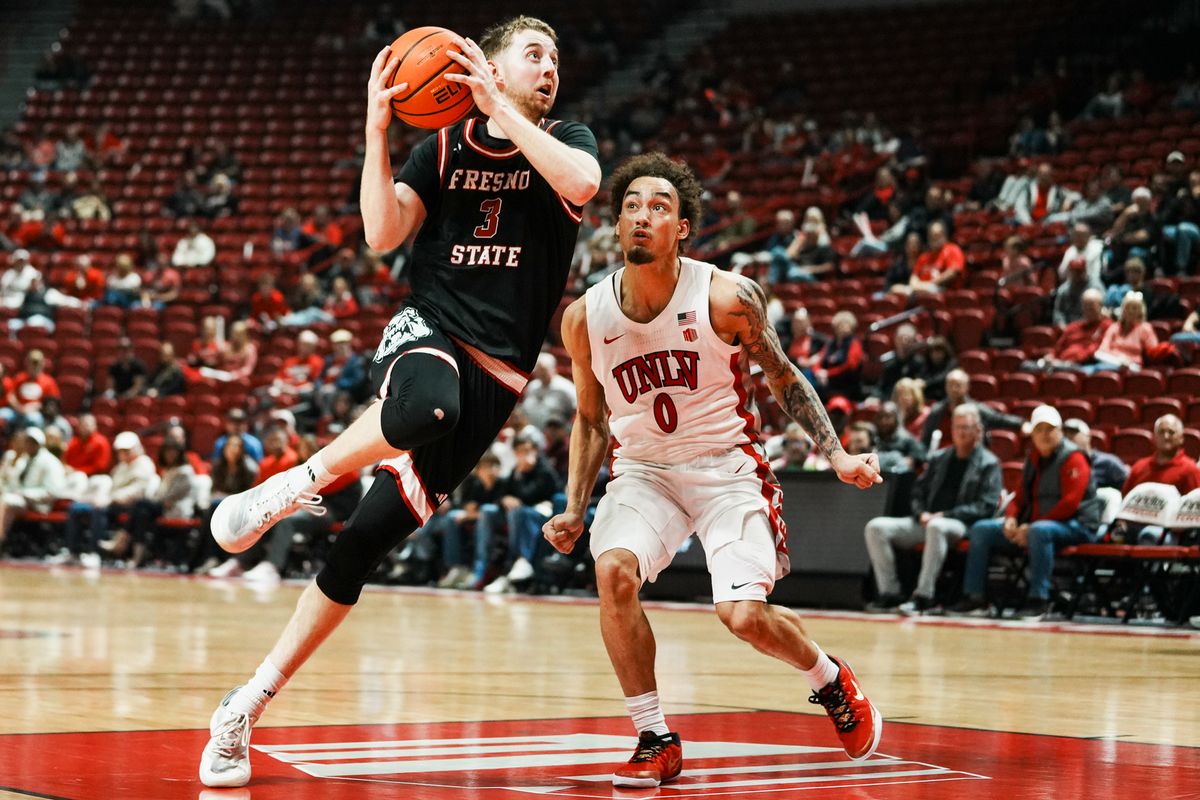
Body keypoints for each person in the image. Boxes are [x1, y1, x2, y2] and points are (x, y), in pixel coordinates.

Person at [199, 16, 600, 788]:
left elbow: (582, 186)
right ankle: (298, 483)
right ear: (486, 65)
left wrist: (504, 109)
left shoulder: (567, 138)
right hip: (432, 329)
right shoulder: (442, 148)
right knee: (425, 408)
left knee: (361, 548)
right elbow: (382, 235)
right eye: (533, 54)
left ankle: (242, 708)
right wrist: (377, 129)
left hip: (502, 375)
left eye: (555, 55)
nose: (550, 66)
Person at [541, 153, 882, 789]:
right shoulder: (585, 317)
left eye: (660, 207)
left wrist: (835, 453)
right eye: (633, 207)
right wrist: (573, 507)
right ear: (616, 225)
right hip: (643, 470)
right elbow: (590, 420)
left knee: (744, 617)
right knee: (612, 570)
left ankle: (829, 679)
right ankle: (653, 736)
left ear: (684, 228)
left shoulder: (727, 296)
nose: (644, 216)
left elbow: (783, 376)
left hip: (728, 468)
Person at [950, 405, 1100, 619]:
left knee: (1040, 531)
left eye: (1050, 429)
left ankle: (1039, 600)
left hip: (1078, 525)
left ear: (1060, 431)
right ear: (1033, 435)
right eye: (1040, 429)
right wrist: (1011, 518)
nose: (1045, 434)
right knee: (981, 529)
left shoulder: (1074, 457)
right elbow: (1019, 497)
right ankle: (975, 598)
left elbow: (1070, 503)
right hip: (1037, 526)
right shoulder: (1033, 458)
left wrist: (1029, 527)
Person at [863, 404, 1000, 614]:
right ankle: (890, 594)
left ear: (977, 430)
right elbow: (917, 492)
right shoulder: (939, 458)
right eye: (957, 427)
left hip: (960, 524)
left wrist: (945, 515)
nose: (961, 432)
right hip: (926, 521)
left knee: (936, 526)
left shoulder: (989, 463)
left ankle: (923, 597)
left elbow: (987, 505)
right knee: (876, 527)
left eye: (966, 427)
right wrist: (921, 514)